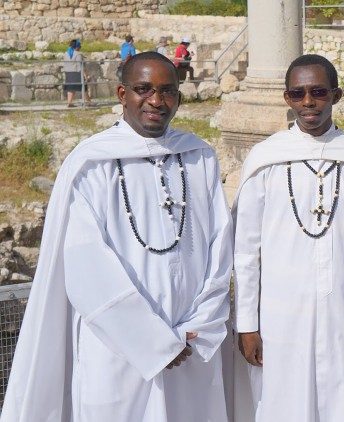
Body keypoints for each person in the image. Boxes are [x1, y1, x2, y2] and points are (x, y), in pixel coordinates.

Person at [0, 52, 234, 422]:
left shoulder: (199, 156)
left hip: (193, 344)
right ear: (122, 94)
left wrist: (200, 323)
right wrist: (151, 341)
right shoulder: (92, 164)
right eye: (144, 89)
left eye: (167, 91)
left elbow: (221, 246)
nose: (156, 100)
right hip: (118, 347)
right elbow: (85, 265)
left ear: (178, 97)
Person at [233, 54, 344, 421]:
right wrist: (247, 324)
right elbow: (246, 252)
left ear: (336, 95)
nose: (308, 102)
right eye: (298, 93)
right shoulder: (266, 160)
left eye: (319, 92)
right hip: (281, 319)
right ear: (287, 98)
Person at [62, 39, 91, 107]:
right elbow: (81, 66)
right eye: (80, 46)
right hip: (77, 73)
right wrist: (86, 75)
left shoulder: (66, 53)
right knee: (84, 88)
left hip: (68, 73)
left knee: (71, 88)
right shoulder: (78, 54)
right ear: (77, 47)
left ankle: (69, 103)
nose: (80, 48)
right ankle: (88, 102)